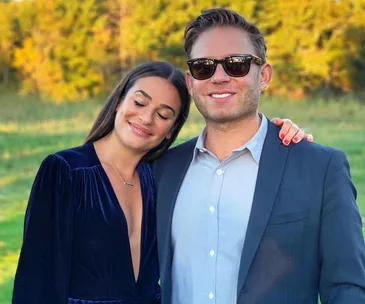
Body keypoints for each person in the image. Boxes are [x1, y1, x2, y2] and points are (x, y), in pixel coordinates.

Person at [12, 61, 307, 304]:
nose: (146, 118)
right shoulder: (66, 171)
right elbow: (37, 280)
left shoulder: (162, 176)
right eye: (139, 102)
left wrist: (278, 134)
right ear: (118, 102)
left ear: (170, 131)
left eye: (164, 114)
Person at [153, 8, 365, 304]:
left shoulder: (320, 169)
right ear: (191, 83)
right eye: (204, 67)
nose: (219, 77)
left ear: (263, 75)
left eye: (236, 65)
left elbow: (347, 287)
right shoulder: (162, 170)